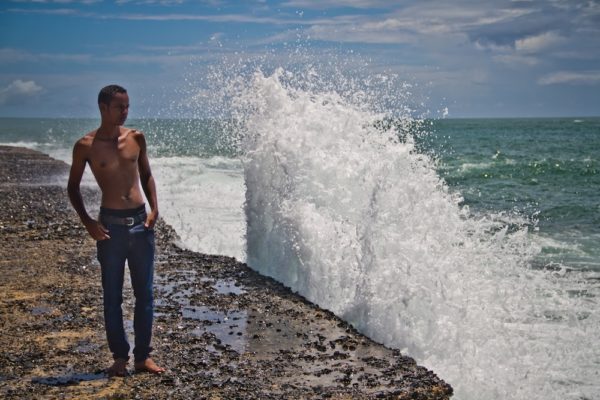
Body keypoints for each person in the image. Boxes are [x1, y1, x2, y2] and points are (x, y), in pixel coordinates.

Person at [67, 84, 165, 377]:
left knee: (144, 294)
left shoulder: (136, 138)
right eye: (119, 107)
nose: (125, 112)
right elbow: (72, 187)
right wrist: (88, 222)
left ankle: (142, 358)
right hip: (109, 228)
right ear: (103, 108)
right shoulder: (85, 145)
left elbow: (146, 173)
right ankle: (120, 358)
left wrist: (154, 208)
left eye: (127, 106)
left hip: (140, 225)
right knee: (112, 296)